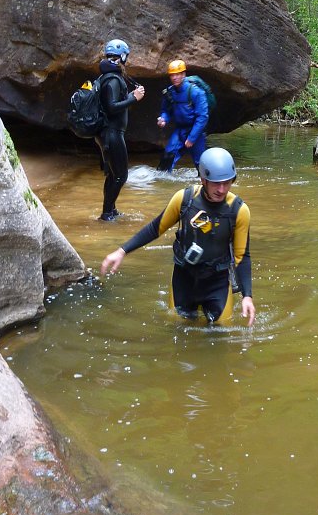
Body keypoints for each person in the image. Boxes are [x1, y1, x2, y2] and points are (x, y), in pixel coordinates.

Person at [100, 147, 256, 326]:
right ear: (203, 179)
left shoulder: (239, 211)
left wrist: (247, 296)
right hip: (184, 280)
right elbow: (155, 228)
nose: (221, 189)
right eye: (215, 183)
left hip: (217, 282)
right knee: (179, 329)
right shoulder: (184, 200)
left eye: (227, 183)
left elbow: (242, 257)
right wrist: (122, 251)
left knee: (221, 334)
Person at [96, 38, 145, 222]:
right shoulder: (113, 79)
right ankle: (107, 214)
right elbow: (111, 106)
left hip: (108, 133)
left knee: (112, 174)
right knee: (121, 176)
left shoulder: (107, 76)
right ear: (122, 57)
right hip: (113, 133)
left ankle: (111, 210)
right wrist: (134, 98)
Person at [156, 59, 209, 173]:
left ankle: (206, 185)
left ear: (184, 74)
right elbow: (166, 110)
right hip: (180, 131)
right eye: (172, 75)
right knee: (167, 157)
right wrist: (163, 119)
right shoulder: (169, 92)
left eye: (178, 74)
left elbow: (202, 117)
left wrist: (192, 137)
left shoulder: (196, 92)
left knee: (201, 164)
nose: (175, 77)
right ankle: (161, 184)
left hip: (196, 132)